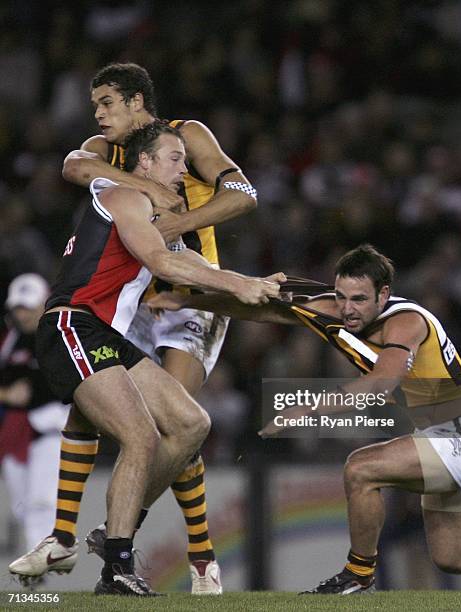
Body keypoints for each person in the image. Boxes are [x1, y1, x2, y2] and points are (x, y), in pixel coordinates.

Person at [8, 122, 280, 596]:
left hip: (103, 333)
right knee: (140, 436)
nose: (184, 167)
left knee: (192, 422)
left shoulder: (148, 212)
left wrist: (251, 283)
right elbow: (163, 264)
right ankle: (116, 567)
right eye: (175, 158)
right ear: (146, 163)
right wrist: (241, 284)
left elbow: (189, 266)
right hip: (72, 323)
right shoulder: (124, 197)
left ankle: (108, 534)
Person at [149, 244, 461, 595]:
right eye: (341, 296)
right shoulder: (332, 309)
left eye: (359, 300)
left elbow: (381, 383)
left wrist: (305, 410)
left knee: (361, 468)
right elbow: (260, 307)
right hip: (450, 434)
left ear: (383, 295)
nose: (348, 309)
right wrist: (186, 301)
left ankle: (358, 575)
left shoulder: (407, 322)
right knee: (457, 556)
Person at [59, 62, 259, 594]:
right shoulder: (107, 151)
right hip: (142, 301)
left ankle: (185, 553)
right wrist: (140, 185)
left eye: (105, 102)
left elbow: (245, 194)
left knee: (178, 422)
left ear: (135, 100)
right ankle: (73, 536)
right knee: (127, 421)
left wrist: (178, 221)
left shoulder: (186, 135)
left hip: (197, 295)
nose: (97, 113)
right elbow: (73, 168)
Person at [0, 274, 69, 568]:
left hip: (50, 431)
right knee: (21, 508)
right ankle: (35, 566)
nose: (23, 314)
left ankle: (38, 574)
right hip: (15, 434)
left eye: (28, 307)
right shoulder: (9, 341)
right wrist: (7, 394)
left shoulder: (59, 335)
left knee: (42, 503)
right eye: (18, 308)